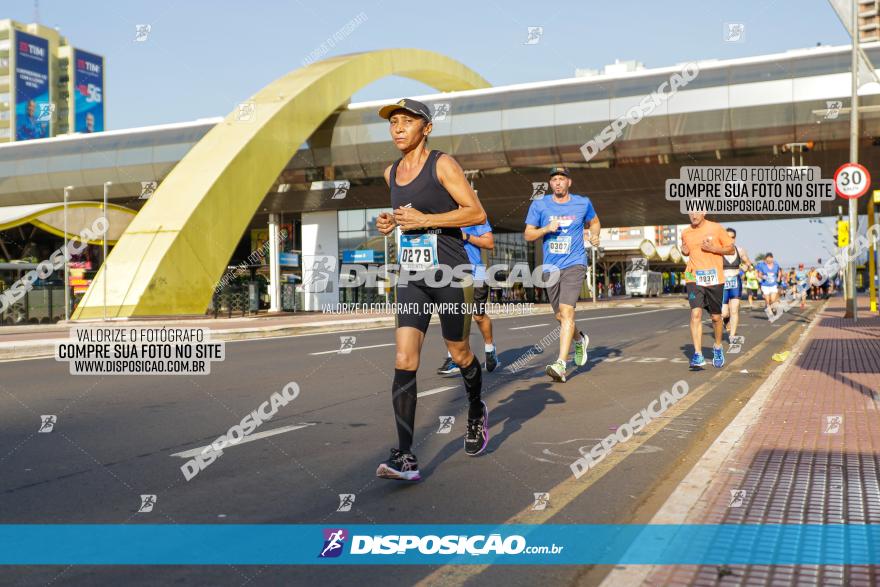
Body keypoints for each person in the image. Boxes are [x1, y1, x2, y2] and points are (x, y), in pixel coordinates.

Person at [373, 98, 489, 482]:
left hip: (451, 273)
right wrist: (392, 221)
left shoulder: (442, 164)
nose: (398, 128)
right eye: (394, 123)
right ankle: (405, 456)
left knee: (459, 352)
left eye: (407, 121)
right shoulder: (391, 173)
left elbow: (475, 213)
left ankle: (475, 409)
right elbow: (408, 216)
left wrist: (427, 219)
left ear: (427, 127)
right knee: (405, 358)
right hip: (412, 275)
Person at [524, 165, 601, 383]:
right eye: (554, 179)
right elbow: (528, 234)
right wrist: (546, 229)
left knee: (567, 312)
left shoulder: (582, 203)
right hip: (551, 267)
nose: (558, 182)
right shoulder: (540, 205)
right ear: (550, 184)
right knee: (560, 316)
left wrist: (594, 235)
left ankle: (560, 364)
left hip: (575, 264)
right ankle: (580, 339)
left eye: (562, 178)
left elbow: (594, 222)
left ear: (569, 182)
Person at [437, 220, 500, 374]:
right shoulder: (441, 213)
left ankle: (490, 348)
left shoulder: (476, 216)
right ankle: (453, 358)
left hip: (476, 272)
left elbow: (490, 243)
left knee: (478, 316)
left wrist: (466, 236)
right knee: (452, 315)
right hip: (450, 273)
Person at [680, 212, 735, 368]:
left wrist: (714, 248)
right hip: (693, 277)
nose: (694, 215)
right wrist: (684, 251)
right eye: (691, 211)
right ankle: (698, 354)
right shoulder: (685, 232)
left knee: (716, 318)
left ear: (704, 212)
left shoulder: (716, 228)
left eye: (697, 211)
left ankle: (717, 346)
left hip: (714, 278)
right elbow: (686, 250)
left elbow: (731, 250)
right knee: (695, 313)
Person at [720, 227, 751, 344]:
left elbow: (748, 263)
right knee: (724, 313)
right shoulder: (719, 250)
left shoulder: (740, 250)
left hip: (735, 282)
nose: (730, 239)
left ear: (735, 238)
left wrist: (745, 268)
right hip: (723, 283)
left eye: (732, 237)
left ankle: (732, 336)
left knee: (734, 310)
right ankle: (726, 320)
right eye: (727, 237)